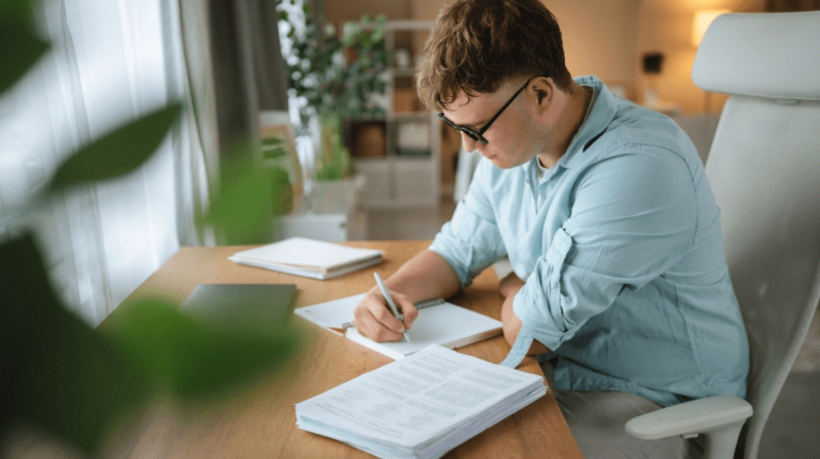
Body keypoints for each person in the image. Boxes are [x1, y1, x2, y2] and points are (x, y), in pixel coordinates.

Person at [352, 0, 750, 457]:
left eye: (477, 128)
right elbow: (457, 251)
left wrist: (514, 288)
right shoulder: (511, 147)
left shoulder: (639, 166)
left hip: (658, 404)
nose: (466, 147)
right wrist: (390, 294)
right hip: (559, 373)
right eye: (454, 126)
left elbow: (531, 332)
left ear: (540, 94)